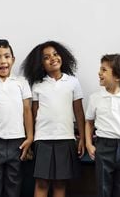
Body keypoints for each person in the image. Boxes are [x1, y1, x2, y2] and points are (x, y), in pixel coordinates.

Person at [21, 40, 85, 197]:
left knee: (60, 183)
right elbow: (34, 113)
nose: (53, 58)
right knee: (41, 182)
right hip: (42, 140)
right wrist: (30, 138)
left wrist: (83, 138)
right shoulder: (37, 85)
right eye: (46, 57)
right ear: (41, 64)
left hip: (66, 138)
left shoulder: (73, 82)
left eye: (55, 54)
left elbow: (79, 112)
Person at [0, 39, 33, 197]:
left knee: (14, 179)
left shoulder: (21, 83)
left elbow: (27, 110)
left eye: (7, 56)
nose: (3, 61)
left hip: (18, 140)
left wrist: (29, 137)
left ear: (13, 59)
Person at [85, 54, 120, 197]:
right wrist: (88, 144)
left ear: (117, 77)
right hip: (103, 147)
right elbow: (89, 122)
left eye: (104, 70)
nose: (99, 73)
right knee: (103, 188)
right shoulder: (95, 97)